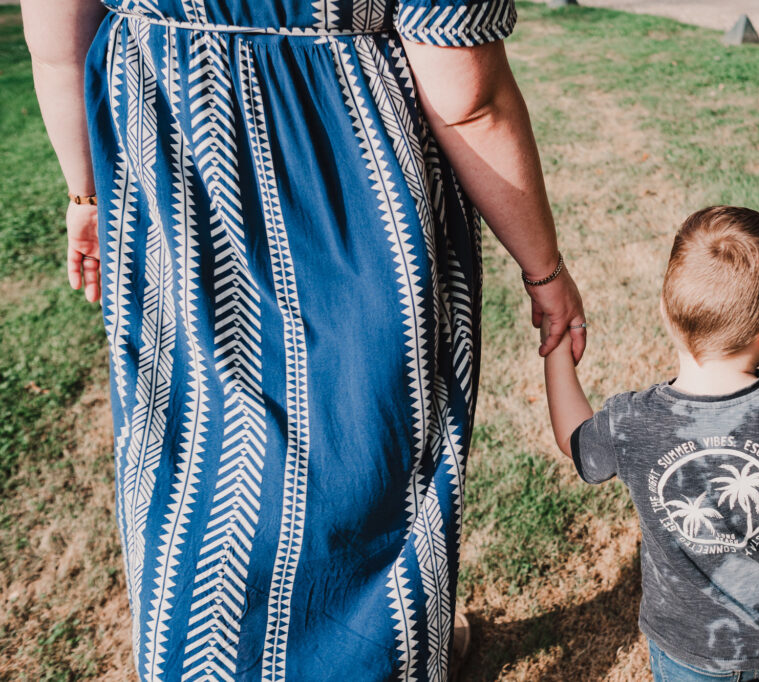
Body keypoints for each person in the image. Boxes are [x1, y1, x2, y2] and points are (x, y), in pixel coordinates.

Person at [22, 0, 586, 679]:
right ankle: (378, 652)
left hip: (168, 150)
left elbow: (56, 38)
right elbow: (467, 93)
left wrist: (85, 192)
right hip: (346, 164)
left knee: (198, 451)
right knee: (361, 443)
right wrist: (544, 268)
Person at [542, 203, 759, 682]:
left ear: (664, 311)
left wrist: (557, 350)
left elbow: (575, 441)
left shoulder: (631, 420)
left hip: (683, 647)